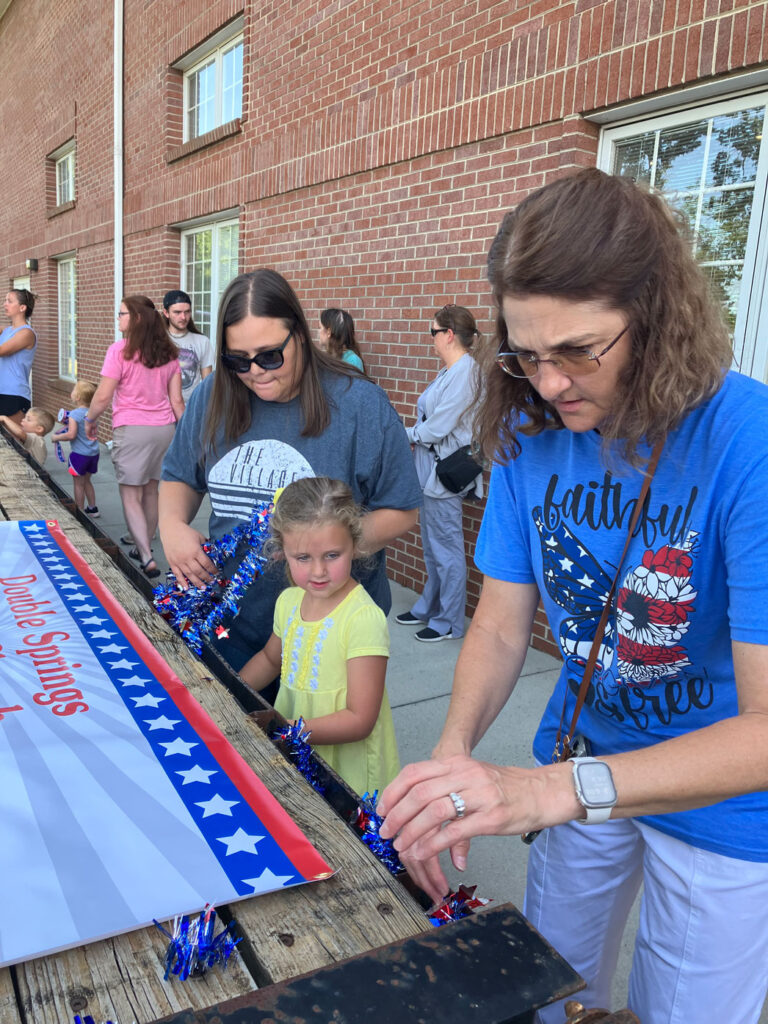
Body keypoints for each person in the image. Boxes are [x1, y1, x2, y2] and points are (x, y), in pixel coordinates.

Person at [378, 168, 768, 1024]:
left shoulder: (750, 442)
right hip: (582, 748)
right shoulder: (527, 427)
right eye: (525, 353)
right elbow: (501, 618)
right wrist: (454, 760)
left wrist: (551, 792)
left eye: (580, 350)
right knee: (548, 995)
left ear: (659, 319)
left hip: (723, 800)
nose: (549, 384)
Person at [159, 268, 421, 702]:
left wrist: (321, 549)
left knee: (305, 762)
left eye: (269, 356)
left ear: (300, 333)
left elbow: (402, 509)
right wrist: (171, 526)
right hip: (231, 622)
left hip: (327, 629)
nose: (254, 372)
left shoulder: (359, 404)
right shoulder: (212, 395)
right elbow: (179, 477)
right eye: (237, 360)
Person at [240, 477, 400, 796]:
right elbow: (271, 659)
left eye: (331, 555)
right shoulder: (288, 602)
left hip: (349, 773)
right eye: (303, 558)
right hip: (298, 752)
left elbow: (360, 718)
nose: (318, 572)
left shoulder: (362, 618)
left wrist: (285, 730)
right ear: (281, 551)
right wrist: (229, 691)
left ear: (353, 546)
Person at [395, 304, 482, 643]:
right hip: (429, 469)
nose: (431, 339)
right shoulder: (450, 370)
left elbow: (438, 426)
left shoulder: (467, 373)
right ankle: (428, 606)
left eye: (433, 332)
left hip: (444, 473)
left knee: (446, 549)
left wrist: (407, 434)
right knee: (432, 547)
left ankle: (448, 621)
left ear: (448, 334)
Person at [86, 296, 184, 578]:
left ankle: (146, 556)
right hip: (164, 430)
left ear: (137, 319)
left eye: (122, 314)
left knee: (130, 494)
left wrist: (90, 420)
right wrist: (187, 434)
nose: (118, 318)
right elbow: (177, 402)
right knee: (151, 491)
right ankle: (145, 546)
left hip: (132, 430)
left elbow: (103, 395)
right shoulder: (169, 353)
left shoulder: (120, 351)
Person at [52, 380, 101, 516]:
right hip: (93, 454)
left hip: (79, 455)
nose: (71, 392)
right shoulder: (93, 413)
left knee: (78, 484)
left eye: (74, 389)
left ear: (78, 397)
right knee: (87, 481)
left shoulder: (74, 414)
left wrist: (56, 438)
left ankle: (79, 511)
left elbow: (71, 435)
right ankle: (93, 508)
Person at [161, 289, 214, 403]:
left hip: (192, 408)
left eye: (187, 312)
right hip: (163, 411)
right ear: (166, 313)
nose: (183, 317)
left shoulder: (202, 341)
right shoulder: (157, 340)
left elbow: (207, 383)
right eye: (177, 312)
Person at [0, 288, 37, 424]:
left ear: (22, 307)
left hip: (14, 395)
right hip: (2, 391)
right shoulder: (6, 330)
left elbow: (2, 351)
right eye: (5, 300)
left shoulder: (26, 333)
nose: (5, 304)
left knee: (12, 442)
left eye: (9, 301)